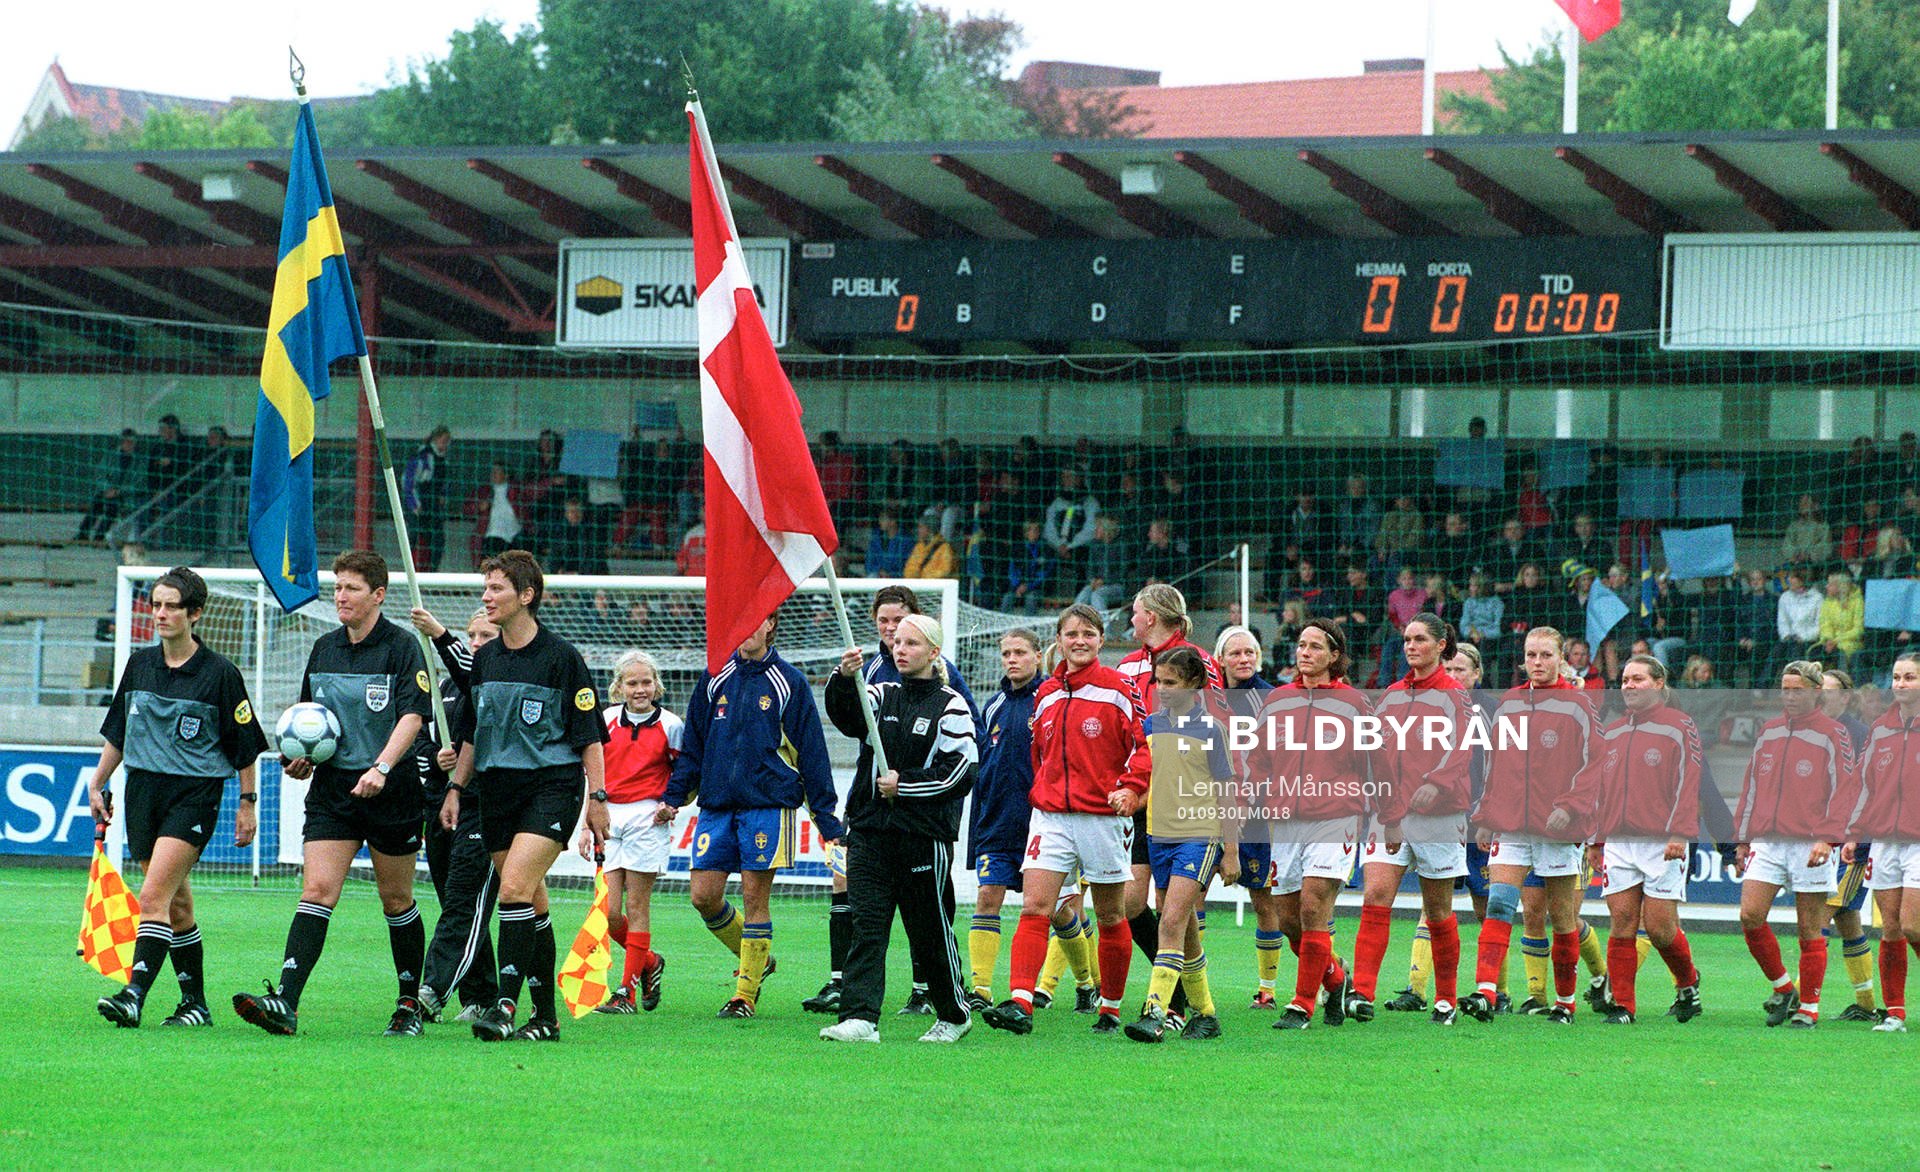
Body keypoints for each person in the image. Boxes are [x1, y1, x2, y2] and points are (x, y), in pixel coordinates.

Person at [234, 551, 434, 1038]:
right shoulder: (323, 648)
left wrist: (382, 767)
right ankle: (285, 1000)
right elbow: (310, 720)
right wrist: (298, 760)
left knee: (396, 898)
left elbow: (413, 715)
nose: (341, 596)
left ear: (378, 595)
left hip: (393, 791)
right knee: (317, 890)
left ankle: (410, 1004)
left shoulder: (403, 647)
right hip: (334, 791)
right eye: (338, 587)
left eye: (352, 588)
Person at [438, 550, 610, 1041]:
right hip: (495, 792)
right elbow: (472, 735)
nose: (486, 596)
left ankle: (505, 1007)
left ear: (526, 596)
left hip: (551, 787)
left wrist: (597, 798)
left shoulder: (562, 658)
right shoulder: (485, 660)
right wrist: (456, 788)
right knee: (531, 902)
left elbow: (590, 737)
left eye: (496, 588)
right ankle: (547, 1019)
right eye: (486, 587)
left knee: (512, 889)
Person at [91, 567, 266, 1028]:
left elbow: (245, 746)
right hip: (142, 793)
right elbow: (119, 731)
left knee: (151, 899)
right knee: (177, 905)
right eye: (157, 605)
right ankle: (195, 1005)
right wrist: (97, 782)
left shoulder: (220, 674)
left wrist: (248, 802)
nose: (161, 614)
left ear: (196, 614)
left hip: (193, 796)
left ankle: (133, 994)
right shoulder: (139, 664)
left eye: (172, 606)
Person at [807, 585, 980, 1017]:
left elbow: (961, 772)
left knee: (929, 931)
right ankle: (859, 1017)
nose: (900, 649)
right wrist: (844, 678)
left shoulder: (951, 704)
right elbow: (847, 717)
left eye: (911, 642)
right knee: (867, 927)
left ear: (934, 651)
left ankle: (952, 1014)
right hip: (869, 831)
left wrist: (904, 786)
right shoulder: (881, 693)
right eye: (897, 642)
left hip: (922, 835)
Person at [661, 610, 843, 1019]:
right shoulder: (714, 679)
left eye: (754, 621)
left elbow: (812, 754)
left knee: (755, 898)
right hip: (716, 805)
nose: (746, 630)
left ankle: (744, 995)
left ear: (770, 624)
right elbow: (693, 745)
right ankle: (758, 958)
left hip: (768, 805)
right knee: (703, 897)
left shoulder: (789, 683)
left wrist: (828, 821)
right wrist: (674, 796)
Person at [982, 605, 1149, 1036]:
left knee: (1111, 915)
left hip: (1102, 819)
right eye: (1071, 633)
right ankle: (1021, 1002)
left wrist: (1130, 787)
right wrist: (1046, 792)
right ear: (1059, 639)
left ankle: (1109, 1007)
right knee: (1036, 905)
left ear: (1100, 640)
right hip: (1051, 816)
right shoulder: (1047, 693)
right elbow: (1038, 752)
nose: (1079, 641)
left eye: (1088, 634)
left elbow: (1144, 745)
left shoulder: (1119, 688)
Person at [1461, 627, 1602, 1024]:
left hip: (1557, 830)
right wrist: (1487, 815)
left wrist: (1572, 807)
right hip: (1512, 825)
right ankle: (1486, 990)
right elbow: (1495, 764)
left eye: (1545, 655)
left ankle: (1566, 1001)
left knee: (1561, 918)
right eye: (1531, 655)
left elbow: (1596, 763)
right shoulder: (1509, 703)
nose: (1537, 663)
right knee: (1500, 902)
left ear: (1562, 659)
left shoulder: (1579, 705)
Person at [1554, 655, 1704, 1025]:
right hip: (1619, 842)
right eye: (1624, 680)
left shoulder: (1680, 727)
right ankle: (1624, 1005)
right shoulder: (1615, 730)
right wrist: (1594, 838)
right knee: (1621, 921)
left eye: (1637, 679)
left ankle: (1688, 983)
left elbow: (1690, 783)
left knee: (1659, 928)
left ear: (1658, 683)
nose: (1629, 685)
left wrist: (1679, 832)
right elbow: (1598, 789)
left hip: (1661, 842)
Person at [1348, 613, 1473, 1025]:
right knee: (1375, 896)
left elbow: (1461, 750)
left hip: (1439, 816)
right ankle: (1362, 993)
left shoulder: (1455, 696)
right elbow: (1376, 754)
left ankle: (1446, 999)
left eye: (1419, 639)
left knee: (1437, 910)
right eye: (1406, 640)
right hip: (1392, 814)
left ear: (1441, 645)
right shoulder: (1392, 695)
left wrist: (1436, 784)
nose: (1410, 646)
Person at [1246, 618, 1369, 1030]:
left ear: (1335, 656)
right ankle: (1336, 978)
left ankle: (1301, 1004)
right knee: (1287, 919)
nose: (1305, 653)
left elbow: (1375, 762)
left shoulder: (1354, 703)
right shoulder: (1277, 699)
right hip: (1285, 819)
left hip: (1336, 816)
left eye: (1316, 646)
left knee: (1314, 904)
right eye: (1301, 645)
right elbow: (1260, 760)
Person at [968, 630, 1095, 1013]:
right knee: (987, 897)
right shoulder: (991, 707)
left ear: (1038, 656)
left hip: (1043, 825)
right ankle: (981, 990)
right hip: (997, 825)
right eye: (1006, 653)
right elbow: (983, 769)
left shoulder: (1052, 700)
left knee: (1058, 911)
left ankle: (1087, 982)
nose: (1012, 659)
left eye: (1020, 652)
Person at [1732, 660, 1859, 1028]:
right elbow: (1750, 788)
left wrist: (1828, 836)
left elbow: (1845, 791)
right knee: (1749, 915)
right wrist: (1741, 840)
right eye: (1785, 689)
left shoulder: (1834, 734)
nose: (1789, 695)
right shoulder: (1768, 732)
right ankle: (1784, 986)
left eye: (1797, 689)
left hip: (1810, 844)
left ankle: (1809, 1009)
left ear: (1816, 692)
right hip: (1768, 841)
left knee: (1809, 928)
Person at [1116, 584, 1223, 1020]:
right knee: (1132, 905)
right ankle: (1188, 1002)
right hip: (1145, 793)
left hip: (1189, 801)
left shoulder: (1197, 662)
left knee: (1172, 913)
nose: (1131, 621)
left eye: (1136, 613)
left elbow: (1219, 723)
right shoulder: (1126, 666)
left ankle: (1166, 1005)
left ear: (1154, 617)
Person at [1124, 647, 1234, 1042]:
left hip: (1200, 836)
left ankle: (1155, 1011)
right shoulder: (1151, 727)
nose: (1161, 689)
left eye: (1170, 682)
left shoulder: (1211, 730)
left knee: (1169, 922)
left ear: (1194, 684)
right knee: (1183, 928)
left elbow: (1227, 794)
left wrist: (1232, 851)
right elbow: (1147, 782)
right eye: (1157, 681)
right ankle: (1205, 1014)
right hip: (1159, 836)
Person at [408, 604, 500, 1025]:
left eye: (486, 637)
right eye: (473, 636)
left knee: (466, 898)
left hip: (483, 806)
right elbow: (418, 741)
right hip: (440, 806)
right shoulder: (443, 688)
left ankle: (433, 989)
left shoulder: (494, 682)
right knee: (456, 902)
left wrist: (440, 632)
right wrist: (436, 759)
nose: (478, 643)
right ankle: (482, 994)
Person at [581, 650, 680, 1014]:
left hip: (647, 819)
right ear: (619, 686)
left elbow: (686, 773)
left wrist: (672, 803)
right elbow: (591, 774)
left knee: (637, 906)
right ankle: (650, 962)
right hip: (608, 815)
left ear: (656, 684)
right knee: (607, 912)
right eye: (632, 682)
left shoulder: (671, 725)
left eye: (646, 682)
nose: (640, 689)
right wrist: (585, 824)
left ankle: (626, 993)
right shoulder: (604, 721)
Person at [1215, 624, 1285, 1008]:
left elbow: (1277, 760)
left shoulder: (1271, 700)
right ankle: (1190, 985)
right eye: (1236, 654)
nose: (1244, 660)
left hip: (1258, 814)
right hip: (1208, 809)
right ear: (1221, 658)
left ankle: (1268, 990)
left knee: (1265, 898)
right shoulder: (1207, 697)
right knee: (1189, 896)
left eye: (1250, 654)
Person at [1852, 652, 1920, 1033]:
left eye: (1909, 677)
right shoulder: (1880, 729)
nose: (1901, 684)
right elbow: (1864, 786)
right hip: (1884, 842)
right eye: (1897, 677)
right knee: (1890, 927)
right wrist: (1853, 834)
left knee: (1913, 925)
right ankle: (1895, 1012)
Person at [1820, 669, 1882, 1022]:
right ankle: (1866, 1003)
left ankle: (1796, 994)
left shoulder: (1860, 735)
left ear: (1845, 697)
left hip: (1852, 841)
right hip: (1823, 839)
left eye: (1827, 691)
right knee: (1847, 918)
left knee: (1821, 914)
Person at [78, 429, 145, 543]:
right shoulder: (110, 456)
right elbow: (100, 475)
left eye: (132, 442)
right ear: (121, 442)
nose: (129, 445)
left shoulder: (140, 462)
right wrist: (107, 489)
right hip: (107, 493)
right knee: (97, 503)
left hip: (125, 497)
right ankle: (82, 534)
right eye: (126, 441)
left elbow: (139, 485)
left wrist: (118, 491)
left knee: (113, 508)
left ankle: (99, 536)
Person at [402, 426, 453, 572]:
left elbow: (444, 482)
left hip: (434, 506)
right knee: (414, 538)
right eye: (444, 441)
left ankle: (431, 573)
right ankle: (410, 572)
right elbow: (408, 482)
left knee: (437, 540)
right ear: (436, 440)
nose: (446, 445)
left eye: (447, 442)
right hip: (420, 505)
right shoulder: (422, 457)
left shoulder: (444, 459)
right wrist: (414, 504)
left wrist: (443, 496)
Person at [1000, 520, 1055, 614]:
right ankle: (1002, 627)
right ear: (1025, 533)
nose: (1034, 533)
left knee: (1031, 598)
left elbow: (1045, 573)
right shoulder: (1017, 549)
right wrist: (1018, 585)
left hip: (1038, 587)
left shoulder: (1047, 549)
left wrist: (1028, 586)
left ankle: (1029, 628)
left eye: (1036, 530)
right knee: (1007, 598)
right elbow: (1012, 571)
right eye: (1030, 530)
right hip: (1018, 587)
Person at [904, 509, 955, 579]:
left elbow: (945, 571)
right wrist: (914, 575)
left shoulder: (944, 548)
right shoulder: (919, 547)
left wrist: (923, 576)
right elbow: (908, 569)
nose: (918, 530)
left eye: (921, 527)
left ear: (929, 529)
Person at [863, 509, 912, 578]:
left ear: (893, 521)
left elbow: (906, 565)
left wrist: (890, 574)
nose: (879, 522)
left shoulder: (906, 541)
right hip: (877, 576)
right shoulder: (876, 539)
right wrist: (879, 570)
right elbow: (869, 561)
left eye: (883, 519)